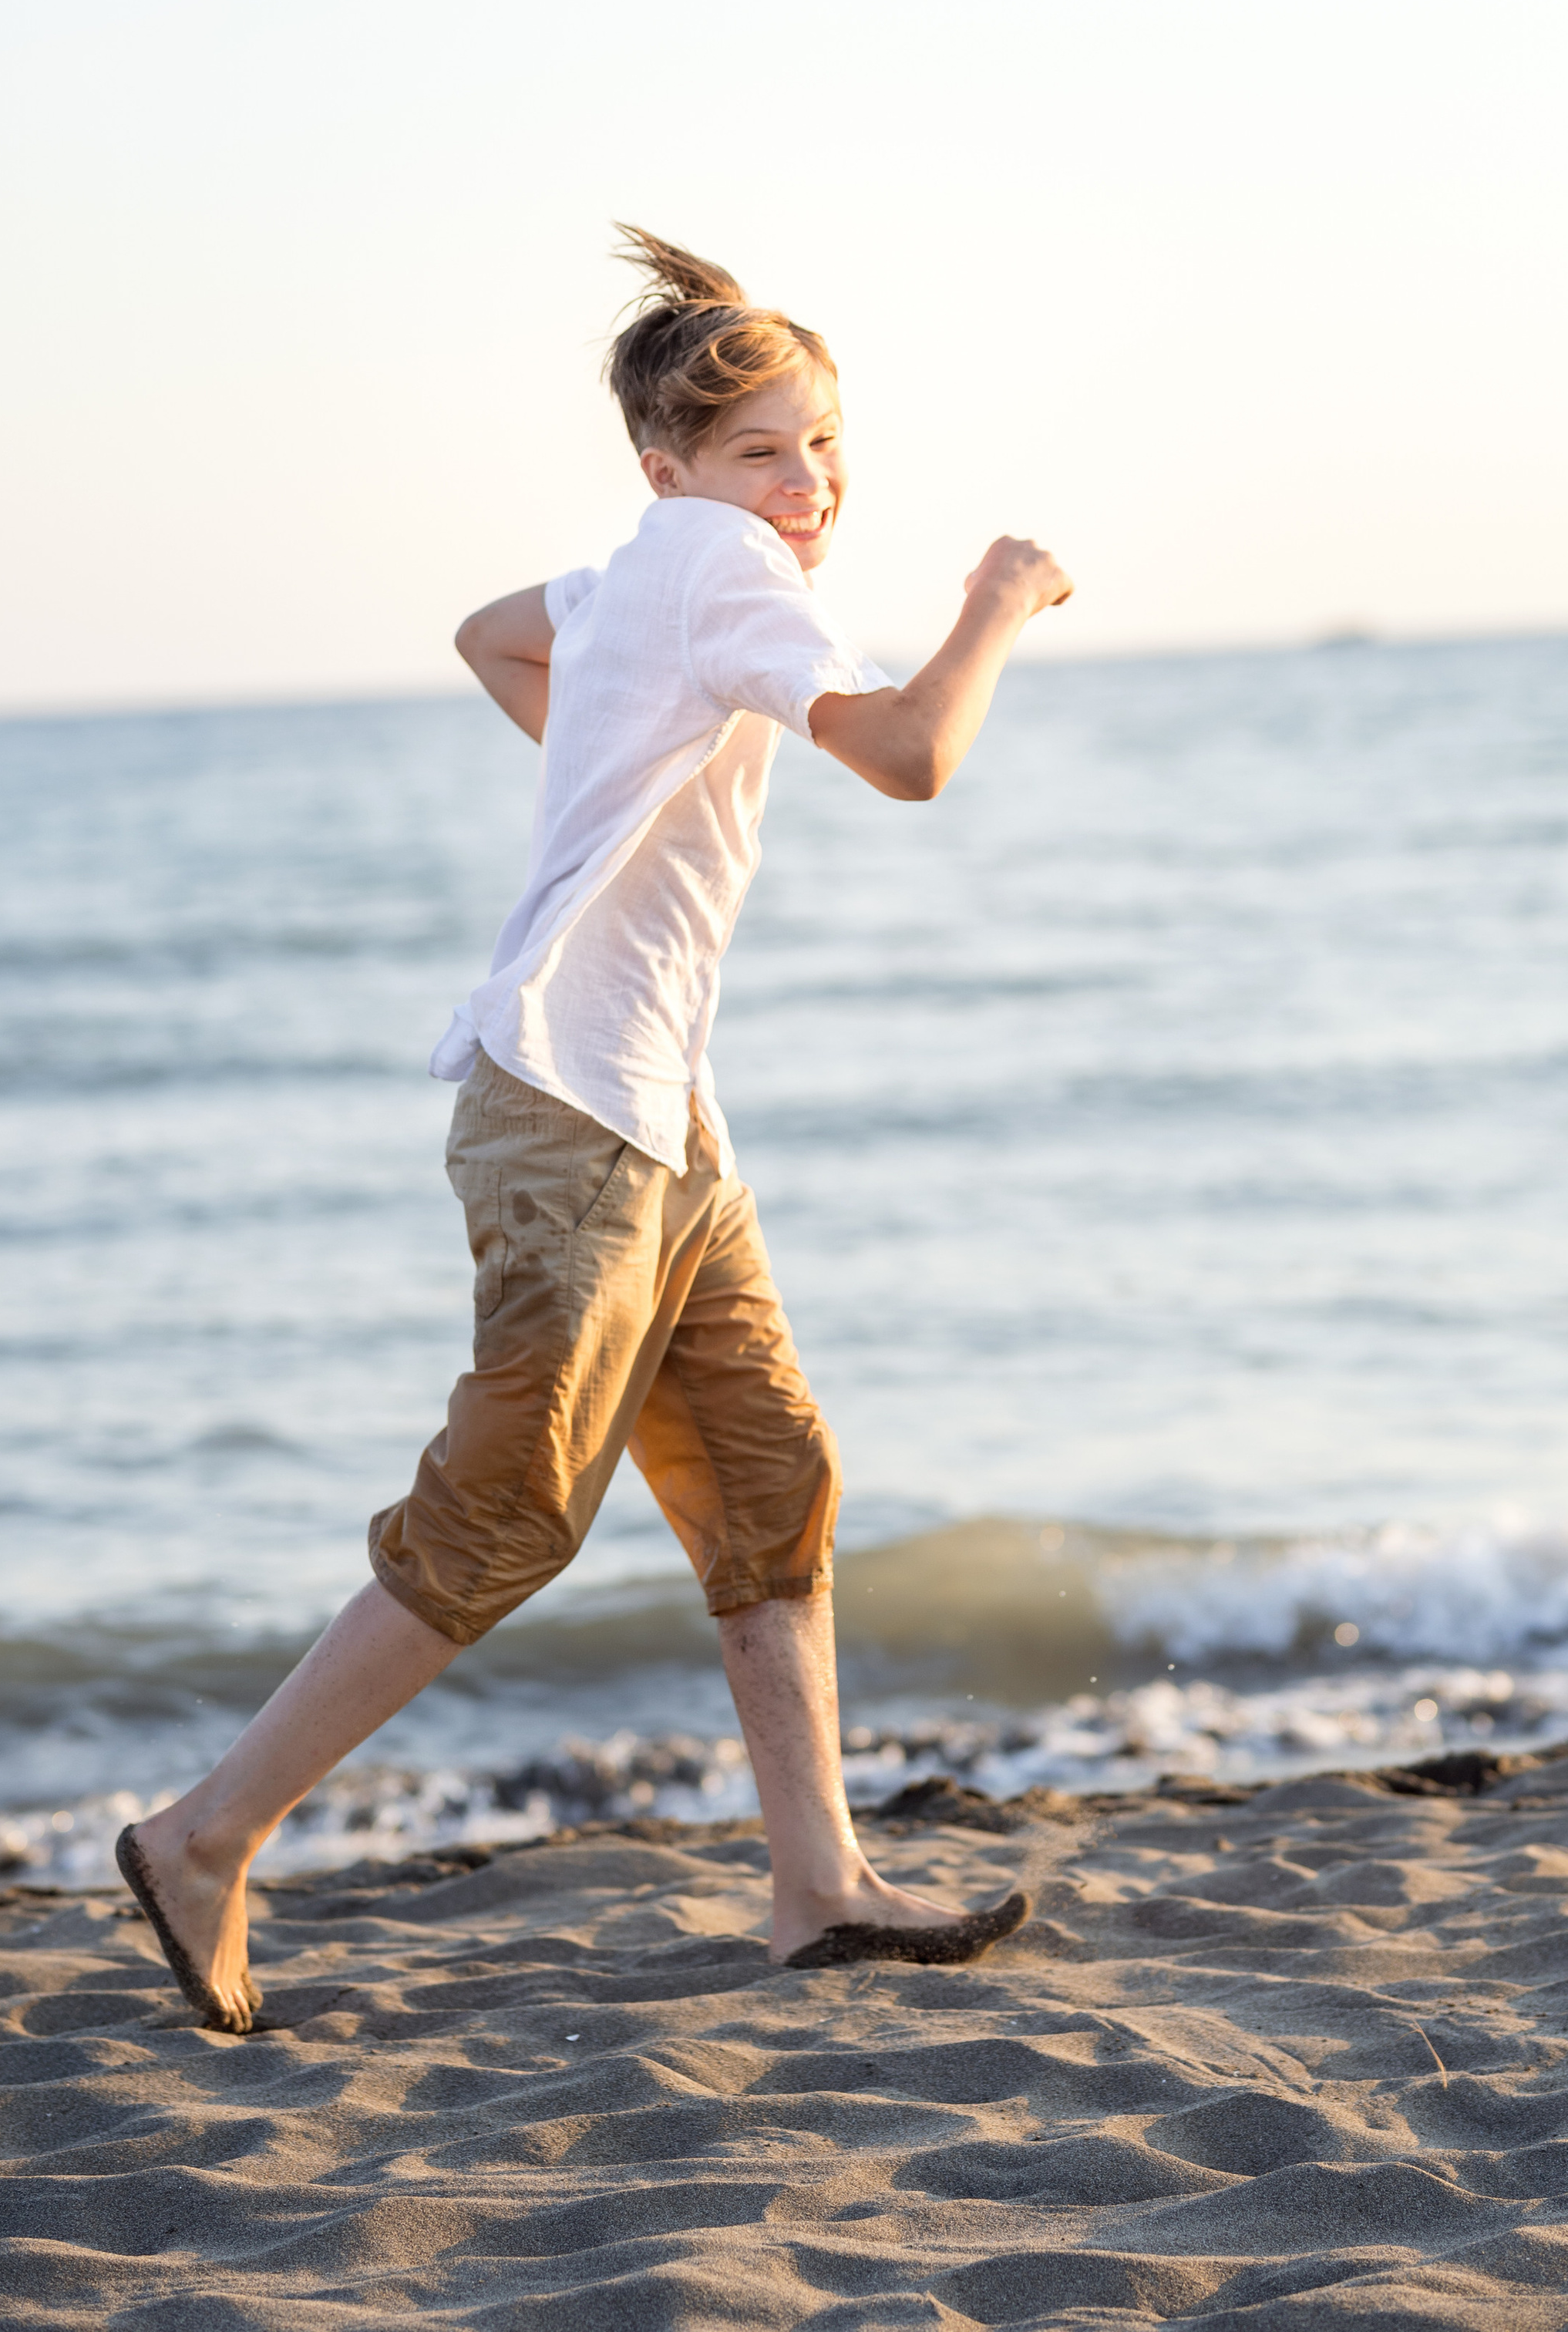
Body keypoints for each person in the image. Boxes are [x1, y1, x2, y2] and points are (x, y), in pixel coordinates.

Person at [118, 228, 1074, 2030]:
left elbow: (493, 635)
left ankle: (818, 1887)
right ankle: (201, 1837)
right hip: (575, 1114)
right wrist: (1000, 601)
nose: (807, 485)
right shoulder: (721, 565)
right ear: (670, 468)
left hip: (658, 1118)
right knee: (507, 1511)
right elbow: (909, 755)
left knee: (770, 1477)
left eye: (822, 445)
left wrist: (608, 760)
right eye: (761, 452)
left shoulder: (648, 567)